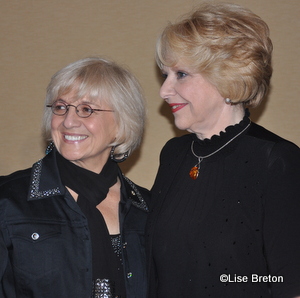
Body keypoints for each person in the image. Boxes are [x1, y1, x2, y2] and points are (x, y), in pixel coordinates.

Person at [146, 3, 300, 298]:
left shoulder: (276, 161)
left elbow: (289, 283)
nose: (164, 90)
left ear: (227, 77)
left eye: (180, 74)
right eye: (165, 74)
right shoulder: (174, 154)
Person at [0, 57, 149, 297]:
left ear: (122, 124)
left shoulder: (149, 209)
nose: (68, 121)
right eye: (60, 107)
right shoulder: (8, 199)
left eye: (86, 109)